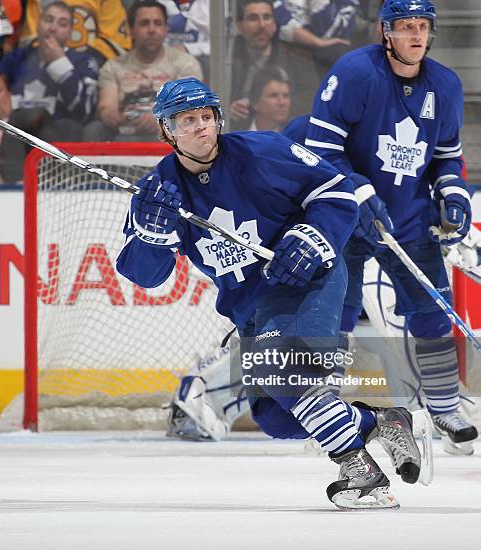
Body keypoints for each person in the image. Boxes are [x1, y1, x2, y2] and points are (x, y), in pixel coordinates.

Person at [115, 76, 432, 508]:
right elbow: (146, 275)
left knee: (280, 374)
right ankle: (384, 422)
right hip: (252, 307)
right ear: (166, 130)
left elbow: (336, 190)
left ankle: (361, 472)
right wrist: (151, 234)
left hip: (303, 278)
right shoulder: (158, 194)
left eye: (207, 116)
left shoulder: (263, 150)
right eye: (187, 120)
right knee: (279, 418)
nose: (201, 127)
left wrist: (313, 234)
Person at [304, 0, 479, 454]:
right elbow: (320, 147)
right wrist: (358, 190)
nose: (417, 36)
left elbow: (444, 157)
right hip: (347, 215)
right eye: (406, 27)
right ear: (386, 32)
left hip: (407, 216)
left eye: (423, 27)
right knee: (335, 314)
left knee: (431, 312)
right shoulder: (356, 72)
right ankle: (329, 408)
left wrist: (453, 193)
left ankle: (443, 407)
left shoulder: (445, 85)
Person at [83, 0, 202, 141]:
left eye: (158, 23)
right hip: (124, 133)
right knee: (94, 129)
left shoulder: (185, 63)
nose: (152, 30)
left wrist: (161, 117)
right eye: (144, 23)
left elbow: (189, 107)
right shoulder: (113, 66)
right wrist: (109, 114)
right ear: (131, 30)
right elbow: (107, 105)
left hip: (169, 137)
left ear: (166, 29)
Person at [0, 1, 100, 138]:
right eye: (48, 20)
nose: (52, 28)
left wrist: (60, 63)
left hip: (57, 138)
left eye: (62, 24)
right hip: (14, 133)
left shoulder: (84, 61)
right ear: (38, 25)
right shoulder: (17, 57)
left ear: (70, 33)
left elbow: (83, 112)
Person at [229, 0, 316, 130]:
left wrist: (266, 107)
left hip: (283, 131)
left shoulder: (297, 59)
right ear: (239, 26)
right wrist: (226, 107)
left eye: (267, 17)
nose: (262, 25)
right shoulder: (226, 58)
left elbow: (311, 99)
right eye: (253, 18)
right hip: (234, 130)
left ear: (275, 24)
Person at [19, 0, 132, 64]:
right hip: (47, 71)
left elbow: (117, 47)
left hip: (98, 73)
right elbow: (31, 43)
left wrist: (80, 64)